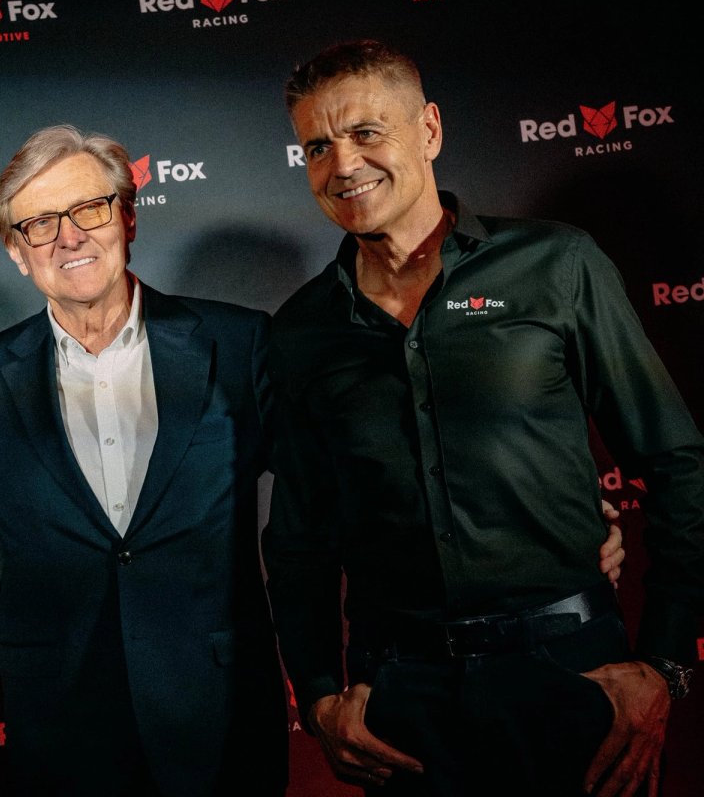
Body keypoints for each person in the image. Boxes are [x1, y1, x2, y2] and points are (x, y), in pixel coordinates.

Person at [262, 39, 703, 797]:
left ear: (429, 130)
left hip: (574, 675)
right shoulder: (302, 329)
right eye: (317, 147)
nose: (343, 165)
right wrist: (320, 697)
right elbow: (298, 537)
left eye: (367, 132)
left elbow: (676, 465)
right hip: (400, 701)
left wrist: (664, 664)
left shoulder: (555, 265)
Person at [0, 124, 288, 796]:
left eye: (89, 209)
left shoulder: (237, 343)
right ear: (16, 251)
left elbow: (309, 509)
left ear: (127, 218)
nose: (69, 237)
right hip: (62, 720)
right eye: (39, 223)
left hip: (219, 710)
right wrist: (51, 576)